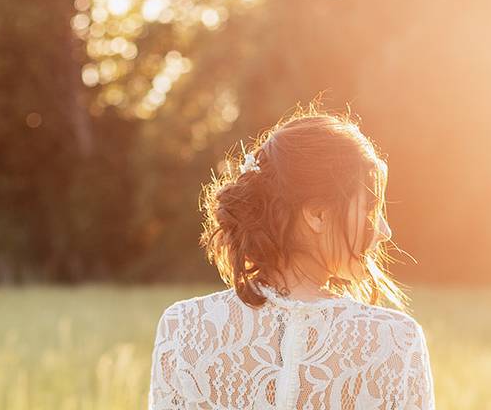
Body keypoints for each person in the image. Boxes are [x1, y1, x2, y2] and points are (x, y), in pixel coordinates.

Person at [148, 105, 435, 409]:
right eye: (369, 209)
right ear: (317, 214)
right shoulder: (395, 341)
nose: (384, 230)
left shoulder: (183, 327)